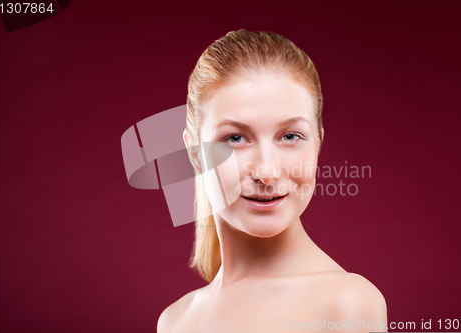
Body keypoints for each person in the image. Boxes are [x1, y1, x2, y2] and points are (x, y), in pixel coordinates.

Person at [157, 29, 387, 333]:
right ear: (195, 153)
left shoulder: (347, 305)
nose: (266, 172)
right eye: (235, 138)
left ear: (317, 143)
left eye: (290, 136)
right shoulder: (175, 321)